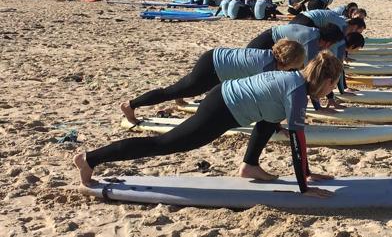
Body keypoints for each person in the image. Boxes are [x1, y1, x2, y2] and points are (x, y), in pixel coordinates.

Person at [74, 51, 341, 198]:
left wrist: (306, 170)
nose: (331, 91)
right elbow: (298, 141)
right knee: (165, 144)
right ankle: (91, 159)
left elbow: (272, 117)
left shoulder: (294, 79)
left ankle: (250, 166)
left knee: (270, 121)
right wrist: (304, 184)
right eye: (332, 86)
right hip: (220, 109)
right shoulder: (296, 94)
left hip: (223, 97)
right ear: (326, 81)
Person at [120, 40, 305, 124]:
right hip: (213, 67)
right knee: (172, 91)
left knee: (184, 88)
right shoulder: (267, 67)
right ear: (287, 61)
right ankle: (131, 105)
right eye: (292, 66)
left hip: (214, 59)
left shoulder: (268, 56)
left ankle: (181, 95)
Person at [247, 23, 344, 66]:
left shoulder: (316, 33)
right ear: (327, 42)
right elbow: (310, 72)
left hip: (271, 40)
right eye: (330, 45)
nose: (327, 48)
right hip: (265, 43)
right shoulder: (311, 40)